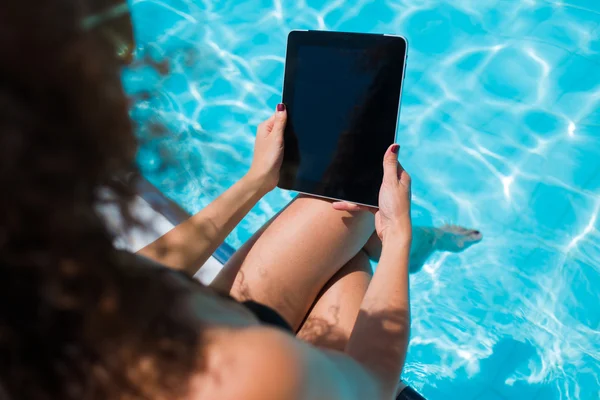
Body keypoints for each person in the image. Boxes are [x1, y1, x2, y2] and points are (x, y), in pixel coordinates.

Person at [0, 1, 467, 399]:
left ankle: (390, 243)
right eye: (119, 63)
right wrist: (399, 238)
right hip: (307, 381)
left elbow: (142, 268)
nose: (131, 94)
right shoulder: (242, 372)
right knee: (359, 240)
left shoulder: (42, 283)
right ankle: (404, 247)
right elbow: (369, 384)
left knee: (343, 210)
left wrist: (254, 183)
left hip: (199, 334)